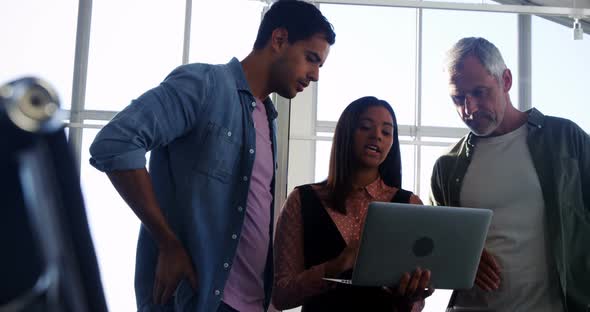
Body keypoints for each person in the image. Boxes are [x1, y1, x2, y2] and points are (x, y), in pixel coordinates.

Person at [88, 1, 335, 311]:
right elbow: (116, 142)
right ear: (279, 39)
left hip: (252, 304)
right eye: (311, 59)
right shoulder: (204, 85)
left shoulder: (268, 119)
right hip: (199, 299)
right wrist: (168, 243)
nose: (314, 76)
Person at [429, 37, 590, 311]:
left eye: (479, 92)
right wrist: (461, 255)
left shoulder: (565, 139)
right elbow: (433, 243)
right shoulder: (447, 166)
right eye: (458, 98)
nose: (469, 109)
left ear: (506, 80)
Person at [273, 96, 434, 312]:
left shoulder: (410, 205)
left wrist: (412, 296)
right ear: (345, 133)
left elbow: (416, 305)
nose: (376, 135)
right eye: (365, 127)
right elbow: (281, 295)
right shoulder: (302, 200)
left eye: (386, 132)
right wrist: (334, 267)